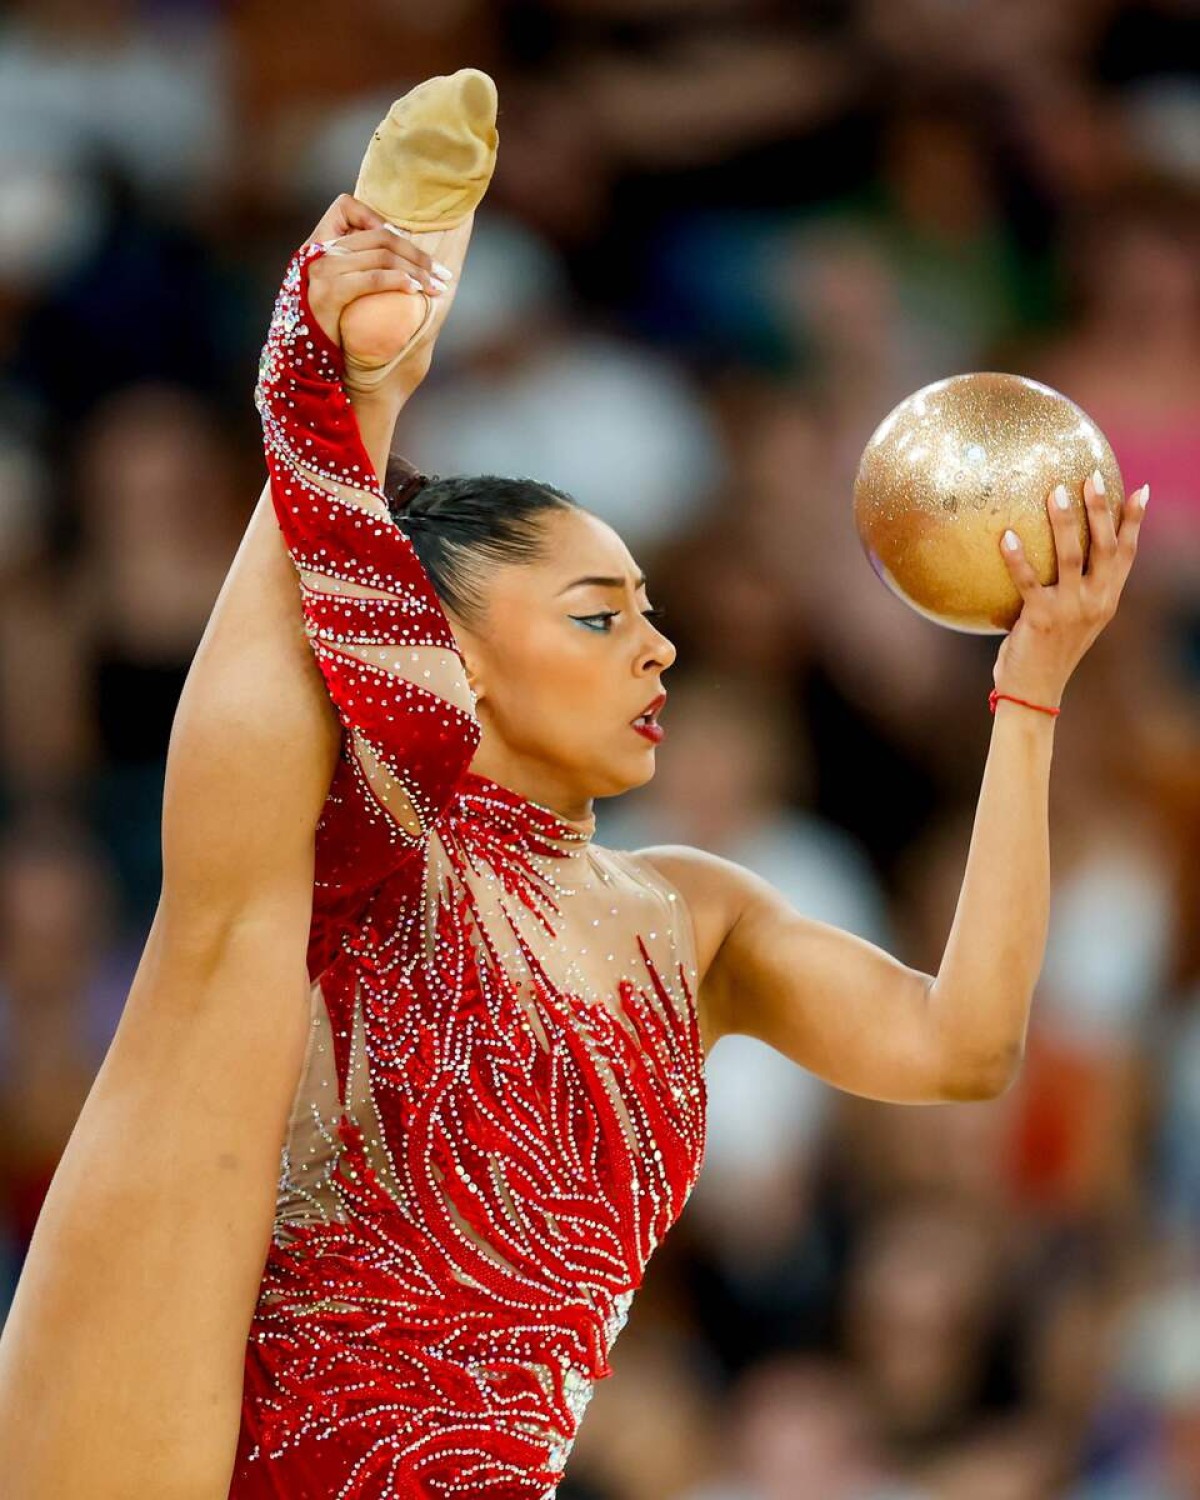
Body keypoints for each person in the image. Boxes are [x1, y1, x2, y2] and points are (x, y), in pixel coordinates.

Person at [0, 71, 1148, 1500]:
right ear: (459, 664)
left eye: (651, 611)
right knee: (220, 933)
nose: (658, 646)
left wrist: (1031, 690)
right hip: (218, 1438)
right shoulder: (382, 845)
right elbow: (252, 756)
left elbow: (963, 1047)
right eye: (600, 616)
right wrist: (348, 384)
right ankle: (348, 377)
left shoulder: (697, 916)